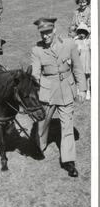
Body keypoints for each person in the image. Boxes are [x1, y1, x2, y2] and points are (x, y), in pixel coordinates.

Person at [31, 17, 87, 177]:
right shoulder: (37, 49)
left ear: (54, 30)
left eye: (48, 32)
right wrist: (35, 82)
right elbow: (35, 73)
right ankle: (40, 147)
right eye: (42, 33)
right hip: (47, 91)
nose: (45, 36)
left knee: (67, 126)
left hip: (66, 89)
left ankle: (68, 161)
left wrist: (82, 88)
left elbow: (77, 67)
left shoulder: (69, 44)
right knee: (43, 123)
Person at [74, 23, 91, 100]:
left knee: (87, 78)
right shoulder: (76, 41)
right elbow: (74, 53)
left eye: (84, 32)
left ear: (86, 33)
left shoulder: (89, 41)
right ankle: (78, 92)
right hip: (79, 63)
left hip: (87, 63)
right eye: (80, 32)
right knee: (79, 78)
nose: (82, 34)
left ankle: (88, 92)